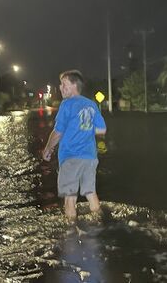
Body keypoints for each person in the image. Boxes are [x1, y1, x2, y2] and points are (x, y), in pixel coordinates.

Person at [43, 70, 107, 221]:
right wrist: (84, 129)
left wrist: (48, 148)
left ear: (73, 85)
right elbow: (102, 129)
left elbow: (58, 132)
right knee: (91, 193)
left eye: (64, 84)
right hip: (90, 158)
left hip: (71, 157)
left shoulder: (67, 104)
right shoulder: (91, 104)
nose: (60, 87)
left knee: (70, 198)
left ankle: (71, 234)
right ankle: (101, 224)